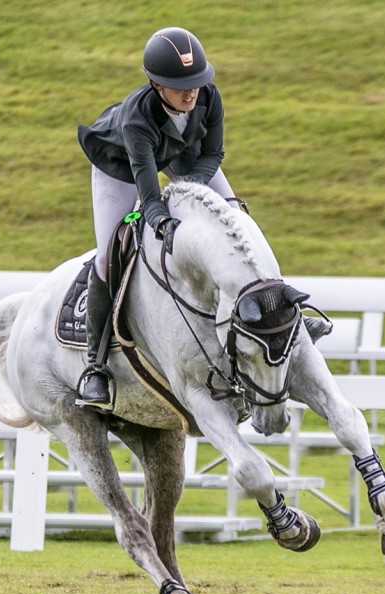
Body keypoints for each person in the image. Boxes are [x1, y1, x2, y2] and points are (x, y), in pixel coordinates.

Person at [75, 27, 239, 409]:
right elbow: (150, 199)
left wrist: (191, 192)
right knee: (107, 254)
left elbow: (213, 154)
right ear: (155, 85)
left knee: (235, 219)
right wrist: (166, 222)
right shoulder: (137, 119)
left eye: (196, 82)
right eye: (179, 85)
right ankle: (94, 367)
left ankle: (279, 314)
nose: (191, 92)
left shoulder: (209, 97)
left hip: (183, 156)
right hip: (120, 165)